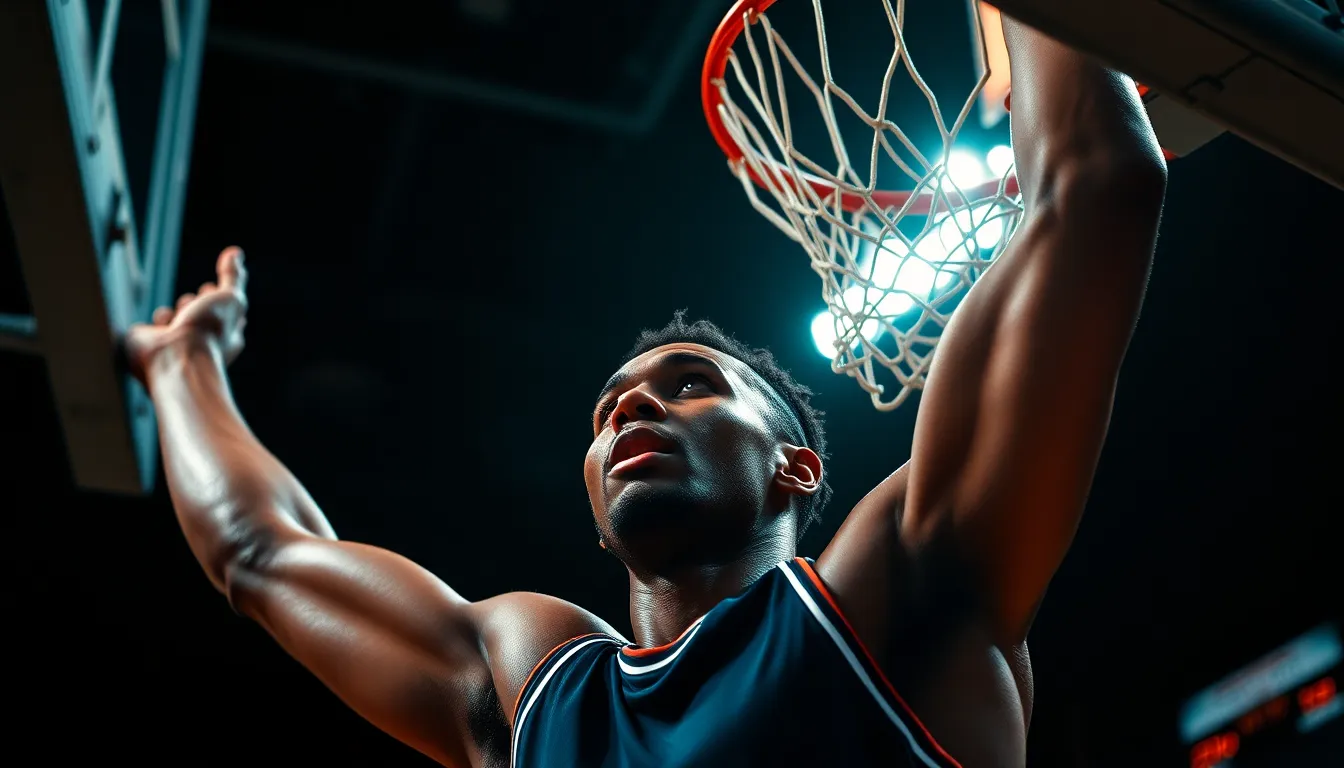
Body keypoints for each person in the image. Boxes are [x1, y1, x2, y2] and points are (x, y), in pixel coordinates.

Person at [125, 13, 1167, 768]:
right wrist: (185, 363)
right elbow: (263, 553)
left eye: (691, 387)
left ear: (794, 467)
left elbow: (1095, 188)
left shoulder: (903, 589)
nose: (632, 407)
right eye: (610, 407)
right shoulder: (536, 687)